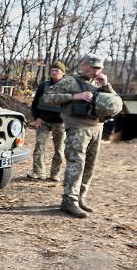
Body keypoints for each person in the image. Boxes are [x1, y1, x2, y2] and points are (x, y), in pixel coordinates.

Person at [43, 53, 118, 218]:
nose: (97, 71)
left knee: (90, 165)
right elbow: (47, 98)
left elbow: (114, 103)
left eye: (100, 68)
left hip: (97, 127)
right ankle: (69, 201)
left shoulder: (99, 82)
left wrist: (107, 86)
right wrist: (74, 96)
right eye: (94, 68)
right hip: (77, 127)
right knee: (76, 163)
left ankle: (80, 197)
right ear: (83, 65)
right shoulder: (70, 81)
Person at [27, 61, 67, 181]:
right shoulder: (43, 85)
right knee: (39, 146)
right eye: (53, 70)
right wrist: (37, 118)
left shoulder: (67, 87)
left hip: (60, 123)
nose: (54, 72)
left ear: (63, 73)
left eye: (57, 71)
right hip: (42, 121)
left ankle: (55, 174)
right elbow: (35, 103)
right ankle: (38, 172)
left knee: (59, 149)